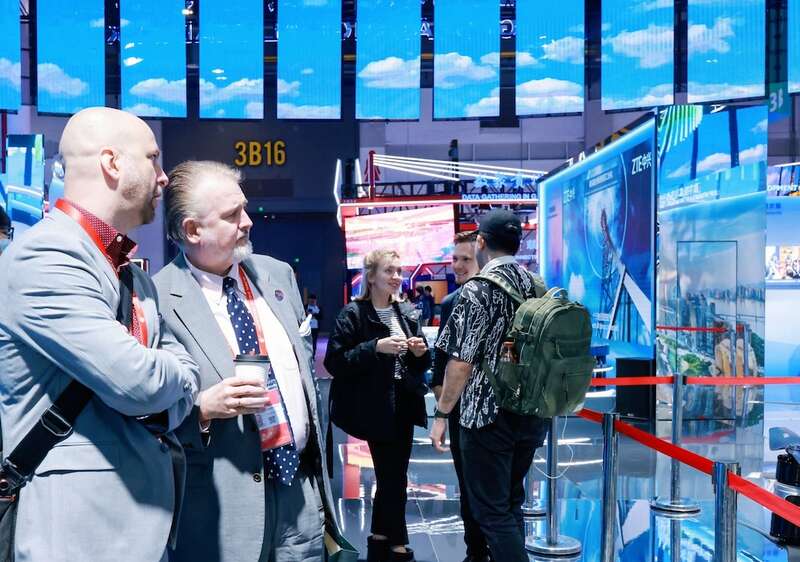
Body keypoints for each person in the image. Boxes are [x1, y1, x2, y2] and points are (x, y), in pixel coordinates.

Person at [0, 107, 200, 561]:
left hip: (135, 528)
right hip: (79, 533)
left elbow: (178, 370)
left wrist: (171, 383)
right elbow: (139, 383)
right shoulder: (46, 257)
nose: (163, 177)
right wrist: (175, 381)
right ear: (112, 162)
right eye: (153, 159)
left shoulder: (130, 272)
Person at [153, 160, 336, 562]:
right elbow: (145, 414)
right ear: (192, 230)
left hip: (299, 491)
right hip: (220, 505)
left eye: (245, 208)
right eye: (232, 214)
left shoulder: (278, 276)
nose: (248, 221)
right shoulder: (157, 300)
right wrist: (202, 410)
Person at [430, 209, 549, 562]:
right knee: (511, 502)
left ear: (481, 242)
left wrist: (441, 414)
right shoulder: (536, 284)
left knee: (492, 512)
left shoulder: (477, 290)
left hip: (487, 416)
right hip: (531, 410)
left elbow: (461, 363)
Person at [324, 249, 430, 562]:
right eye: (388, 271)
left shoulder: (405, 311)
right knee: (392, 475)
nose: (396, 276)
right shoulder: (353, 314)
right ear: (371, 277)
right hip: (374, 405)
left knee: (393, 473)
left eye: (399, 270)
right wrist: (375, 347)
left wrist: (420, 352)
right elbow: (335, 362)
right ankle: (398, 543)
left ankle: (380, 535)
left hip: (404, 402)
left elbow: (418, 364)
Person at [430, 231, 488, 562]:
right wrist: (445, 409)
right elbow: (441, 364)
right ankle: (475, 552)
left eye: (465, 259)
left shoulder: (499, 298)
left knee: (500, 493)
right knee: (467, 488)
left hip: (497, 413)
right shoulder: (451, 303)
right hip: (460, 413)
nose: (457, 265)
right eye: (454, 259)